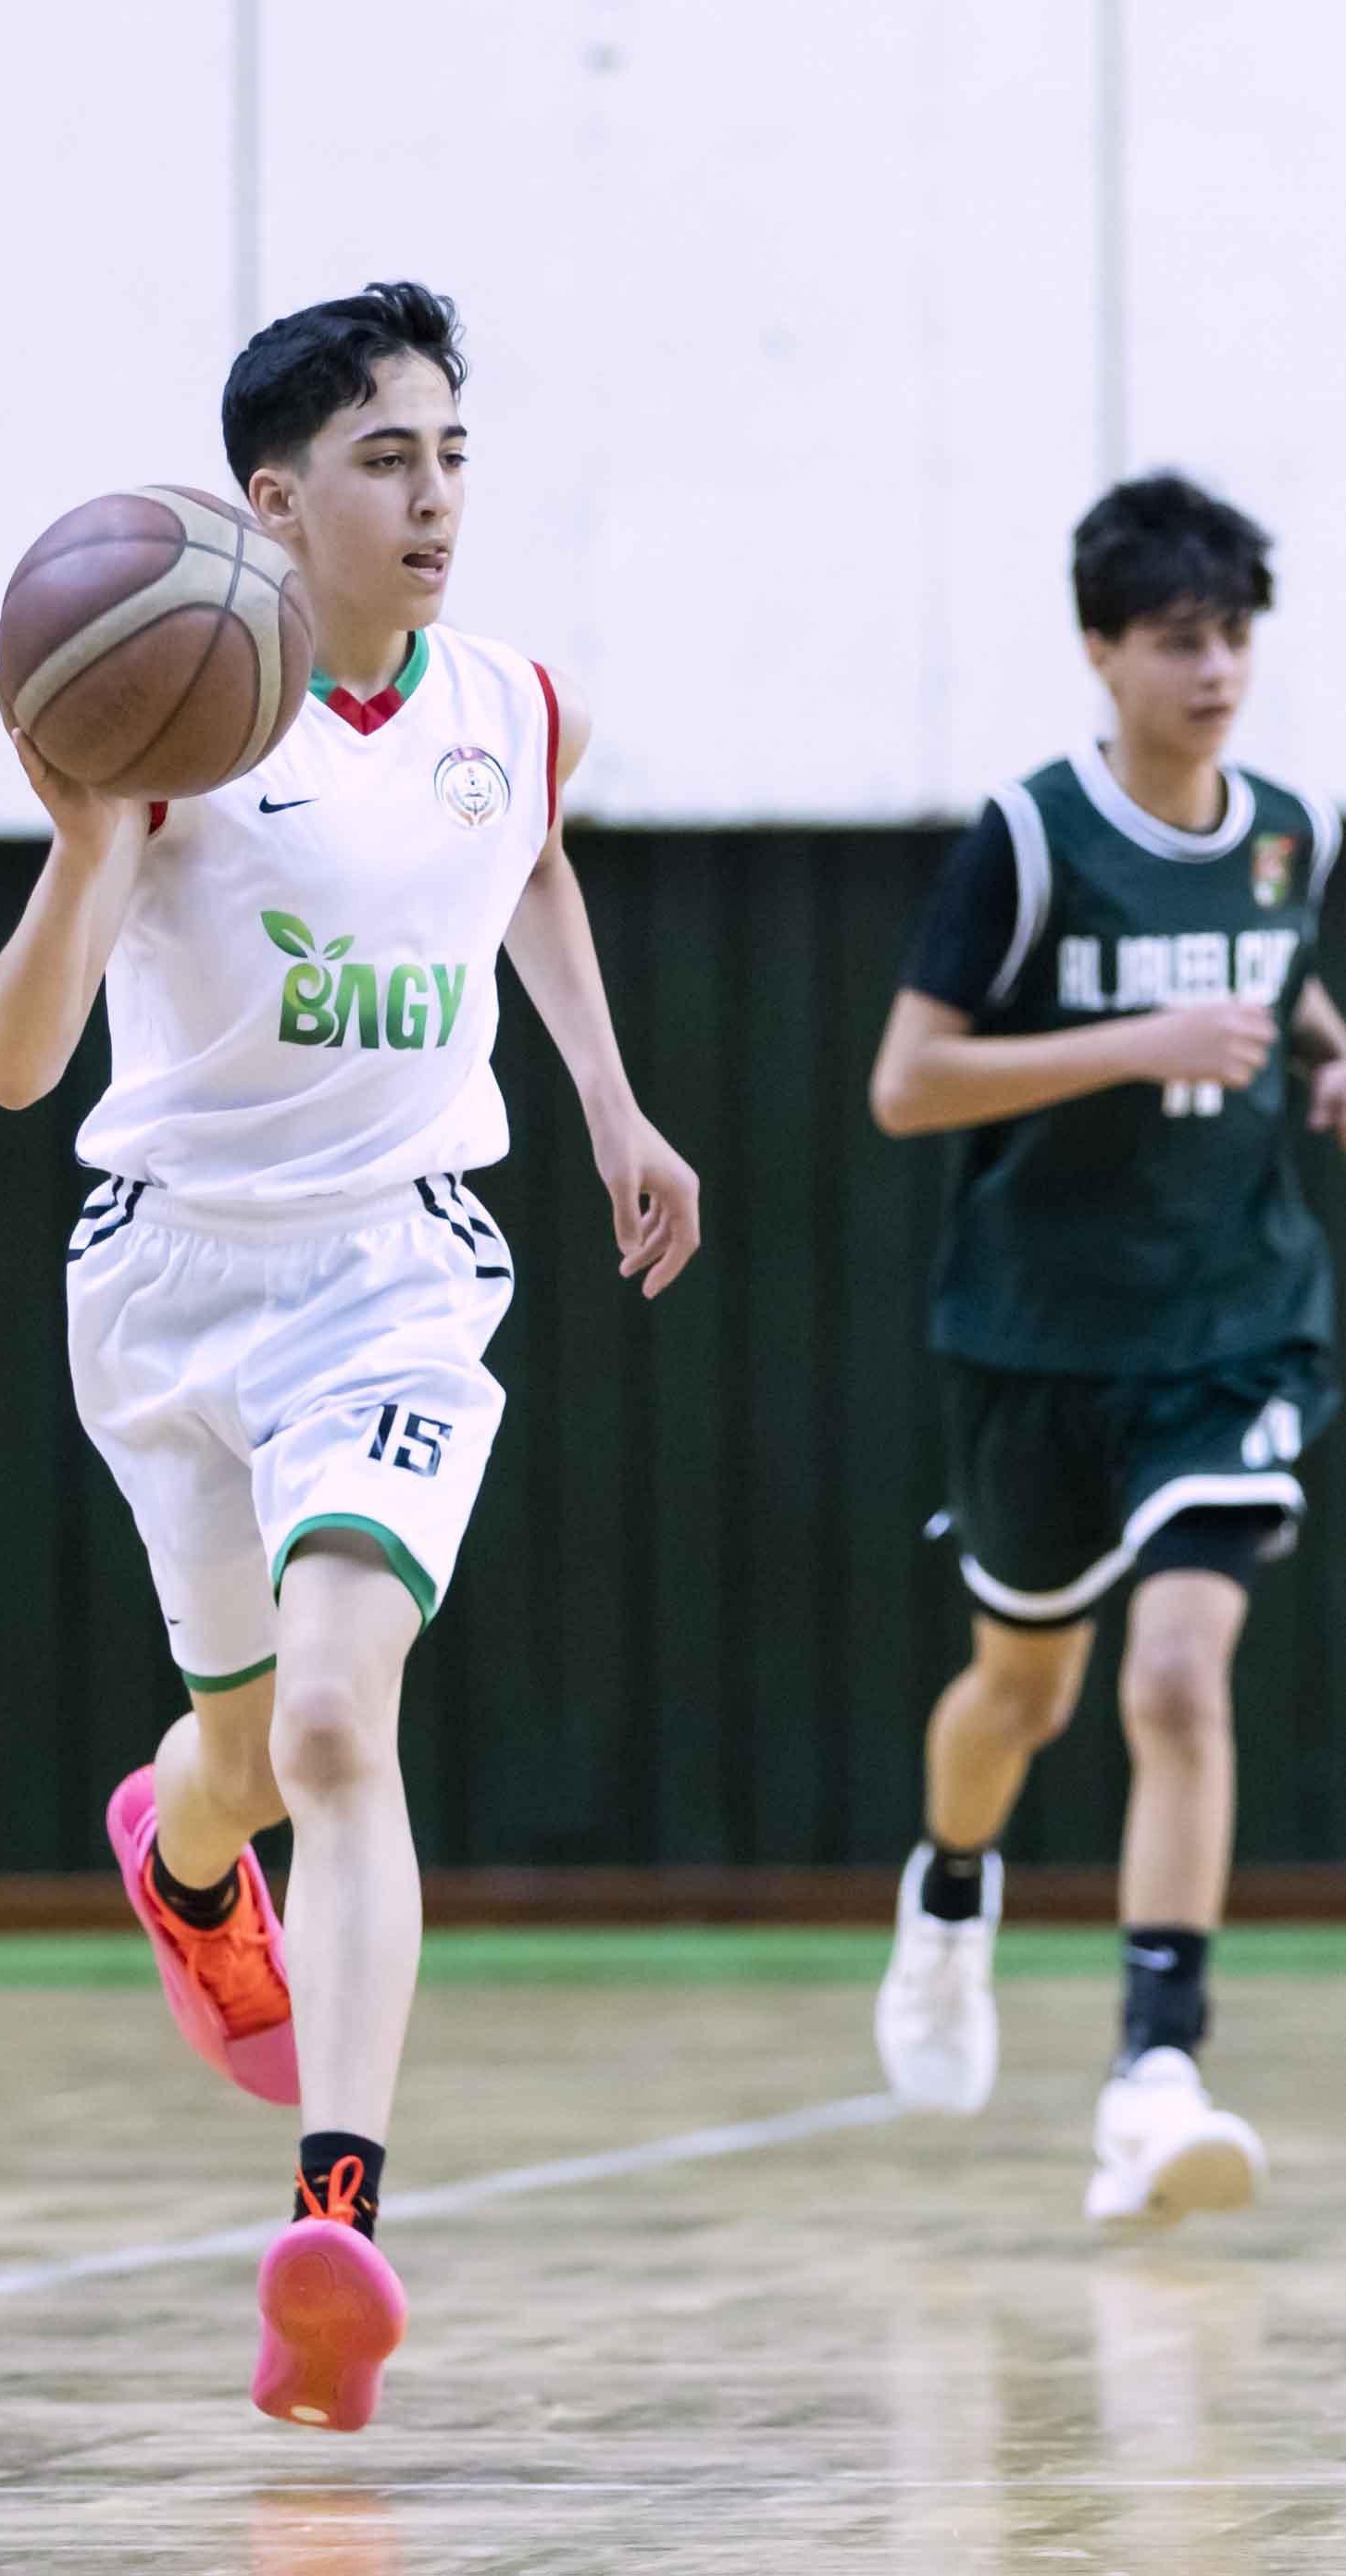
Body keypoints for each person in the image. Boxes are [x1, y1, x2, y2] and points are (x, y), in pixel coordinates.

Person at [0, 281, 700, 2421]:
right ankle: (182, 1862)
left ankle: (336, 2229)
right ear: (273, 501)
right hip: (170, 1282)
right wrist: (85, 844)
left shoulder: (517, 704)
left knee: (331, 1721)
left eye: (453, 454)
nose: (437, 497)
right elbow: (15, 1066)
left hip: (398, 1270)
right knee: (236, 1754)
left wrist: (611, 1101)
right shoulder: (168, 727)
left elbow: (529, 858)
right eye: (389, 460)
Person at [869, 471, 1346, 2225]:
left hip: (1230, 1328)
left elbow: (1274, 978)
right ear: (1100, 649)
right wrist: (1135, 1041)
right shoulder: (1026, 839)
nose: (1212, 672)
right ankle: (948, 1895)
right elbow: (906, 1084)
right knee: (1022, 1693)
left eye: (1232, 639)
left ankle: (1156, 2072)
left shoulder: (1290, 830)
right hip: (1037, 1340)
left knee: (1175, 1678)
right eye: (1174, 641)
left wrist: (1324, 1051)